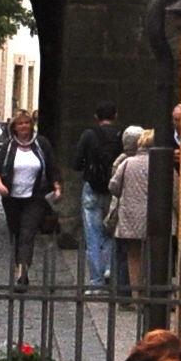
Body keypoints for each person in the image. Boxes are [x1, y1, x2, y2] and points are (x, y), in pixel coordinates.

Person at [0, 110, 55, 279]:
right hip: (12, 198)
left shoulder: (41, 144)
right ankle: (19, 265)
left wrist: (57, 187)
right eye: (20, 123)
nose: (24, 126)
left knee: (27, 234)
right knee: (15, 233)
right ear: (14, 126)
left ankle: (22, 273)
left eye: (26, 123)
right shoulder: (9, 146)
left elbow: (51, 167)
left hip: (35, 197)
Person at [106, 124, 156, 292]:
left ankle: (133, 294)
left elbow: (113, 187)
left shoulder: (126, 163)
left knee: (131, 256)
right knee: (153, 256)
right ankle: (150, 292)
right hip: (154, 217)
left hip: (130, 216)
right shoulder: (159, 163)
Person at [74, 110, 121, 287]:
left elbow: (76, 163)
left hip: (92, 188)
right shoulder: (120, 134)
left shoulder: (89, 135)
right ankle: (109, 267)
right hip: (113, 188)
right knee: (111, 230)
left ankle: (96, 280)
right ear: (115, 115)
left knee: (92, 235)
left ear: (95, 117)